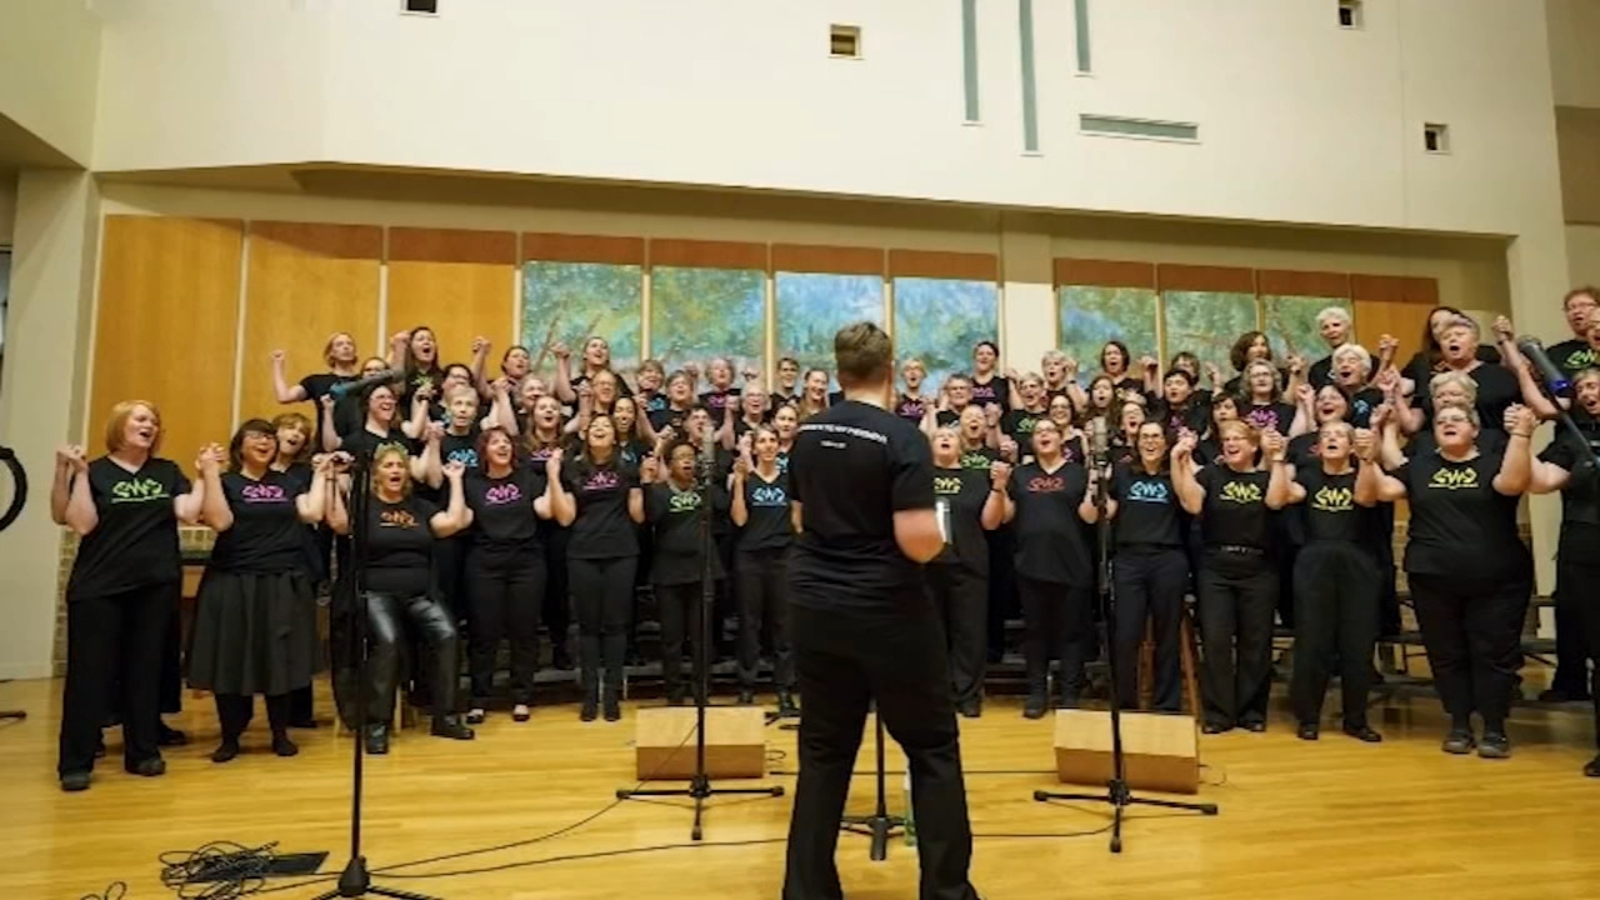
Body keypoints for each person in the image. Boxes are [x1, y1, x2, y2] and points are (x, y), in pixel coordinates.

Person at [784, 321, 979, 900]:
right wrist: (945, 544)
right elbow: (917, 539)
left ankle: (806, 891)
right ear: (890, 370)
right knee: (931, 747)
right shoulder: (901, 438)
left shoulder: (808, 434)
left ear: (839, 371)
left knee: (823, 751)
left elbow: (798, 518)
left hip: (814, 602)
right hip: (886, 609)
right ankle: (946, 892)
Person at [53, 401, 206, 792]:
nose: (149, 426)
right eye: (141, 419)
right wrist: (81, 476)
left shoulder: (166, 472)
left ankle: (142, 752)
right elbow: (82, 523)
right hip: (99, 588)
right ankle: (76, 761)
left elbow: (189, 512)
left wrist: (205, 475)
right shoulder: (98, 471)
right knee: (90, 676)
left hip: (154, 586)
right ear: (119, 425)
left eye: (154, 421)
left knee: (146, 671)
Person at [1373, 404, 1535, 758]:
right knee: (1446, 654)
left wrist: (1522, 435)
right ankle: (1459, 723)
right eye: (1441, 421)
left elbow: (1512, 485)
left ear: (1475, 430)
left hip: (1497, 577)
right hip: (1433, 576)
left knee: (1494, 654)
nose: (1447, 423)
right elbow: (1384, 490)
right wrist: (1367, 458)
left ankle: (1495, 727)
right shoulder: (1420, 466)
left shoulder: (1493, 461)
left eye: (1456, 419)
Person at [189, 421, 329, 762]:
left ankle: (280, 733)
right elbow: (220, 522)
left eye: (269, 436)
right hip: (234, 580)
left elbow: (311, 512)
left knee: (277, 657)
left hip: (280, 579)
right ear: (239, 446)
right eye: (256, 436)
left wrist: (324, 475)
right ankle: (230, 737)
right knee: (231, 658)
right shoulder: (226, 482)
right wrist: (208, 473)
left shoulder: (288, 482)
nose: (264, 441)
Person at [326, 443, 476, 754]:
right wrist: (330, 479)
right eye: (389, 465)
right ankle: (376, 724)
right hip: (375, 592)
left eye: (400, 466)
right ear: (376, 473)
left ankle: (445, 717)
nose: (395, 470)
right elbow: (339, 524)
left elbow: (453, 524)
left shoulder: (418, 507)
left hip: (419, 592)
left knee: (448, 635)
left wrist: (457, 482)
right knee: (389, 641)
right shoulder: (363, 505)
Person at [1273, 421, 1384, 743]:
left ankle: (1356, 719)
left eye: (1339, 436)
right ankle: (1308, 717)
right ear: (1318, 447)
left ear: (1351, 446)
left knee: (1357, 645)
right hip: (1314, 563)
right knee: (1312, 644)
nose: (1331, 440)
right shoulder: (1307, 475)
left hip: (1358, 563)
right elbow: (1279, 499)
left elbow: (1365, 498)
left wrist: (1366, 459)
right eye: (1325, 437)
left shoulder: (1363, 472)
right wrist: (1278, 460)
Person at [1173, 421, 1284, 734]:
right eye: (1227, 439)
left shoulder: (1267, 476)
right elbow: (1193, 504)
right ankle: (1220, 713)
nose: (1231, 443)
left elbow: (1276, 501)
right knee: (1217, 641)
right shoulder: (1211, 474)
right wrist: (1181, 460)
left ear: (1253, 446)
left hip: (1258, 568)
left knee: (1256, 642)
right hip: (1216, 568)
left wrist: (1277, 459)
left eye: (1239, 439)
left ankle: (1251, 712)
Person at [461, 427, 570, 724]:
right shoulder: (472, 482)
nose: (502, 446)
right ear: (483, 451)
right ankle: (479, 698)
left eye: (506, 442)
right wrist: (455, 483)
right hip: (485, 563)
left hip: (526, 563)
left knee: (524, 631)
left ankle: (522, 697)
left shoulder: (527, 479)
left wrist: (552, 474)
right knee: (484, 632)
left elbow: (546, 511)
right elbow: (460, 520)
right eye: (495, 442)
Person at [1526, 369, 1600, 775]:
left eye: (1595, 385)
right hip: (1586, 556)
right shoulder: (1572, 437)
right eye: (1582, 387)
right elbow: (1541, 482)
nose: (1588, 393)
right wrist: (1521, 439)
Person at [1002, 418, 1096, 717]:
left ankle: (1069, 694)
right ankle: (1037, 693)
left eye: (1049, 432)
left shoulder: (1079, 474)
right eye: (1038, 432)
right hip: (1031, 564)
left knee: (1071, 632)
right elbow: (1006, 517)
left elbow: (1090, 517)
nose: (1044, 436)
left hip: (1072, 564)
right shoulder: (1020, 475)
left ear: (1061, 440)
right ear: (1032, 441)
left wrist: (1095, 485)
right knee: (1036, 633)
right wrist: (1000, 488)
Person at [561, 413, 645, 722]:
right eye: (594, 426)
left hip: (621, 550)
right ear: (586, 434)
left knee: (615, 624)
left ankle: (611, 693)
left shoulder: (627, 468)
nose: (599, 430)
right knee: (588, 625)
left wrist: (645, 484)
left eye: (605, 427)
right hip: (583, 551)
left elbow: (637, 515)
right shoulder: (574, 467)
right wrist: (555, 477)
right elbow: (567, 516)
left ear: (614, 436)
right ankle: (589, 693)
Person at [1103, 421, 1190, 713]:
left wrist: (1182, 460)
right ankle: (1125, 702)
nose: (1150, 442)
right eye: (1145, 437)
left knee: (1167, 635)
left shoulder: (1175, 472)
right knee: (1126, 634)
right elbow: (1107, 510)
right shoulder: (1124, 472)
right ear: (1136, 443)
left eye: (1156, 436)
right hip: (1129, 560)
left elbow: (1191, 502)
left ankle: (1167, 703)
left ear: (1165, 442)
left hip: (1169, 559)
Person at [927, 426, 1006, 718]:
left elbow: (991, 522)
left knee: (969, 634)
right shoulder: (920, 479)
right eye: (939, 437)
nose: (945, 439)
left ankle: (968, 694)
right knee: (931, 635)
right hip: (927, 567)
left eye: (950, 437)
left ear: (961, 446)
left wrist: (998, 489)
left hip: (968, 566)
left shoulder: (975, 479)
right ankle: (936, 695)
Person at [730, 425, 800, 715]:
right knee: (750, 623)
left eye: (773, 440)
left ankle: (784, 689)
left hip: (783, 556)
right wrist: (738, 485)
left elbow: (798, 522)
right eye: (763, 441)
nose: (769, 445)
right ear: (754, 447)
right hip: (751, 558)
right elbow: (739, 520)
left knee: (784, 626)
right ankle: (747, 685)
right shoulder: (747, 480)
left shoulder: (789, 480)